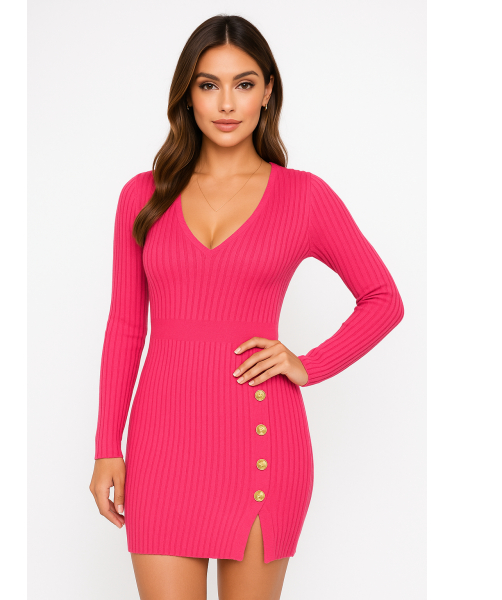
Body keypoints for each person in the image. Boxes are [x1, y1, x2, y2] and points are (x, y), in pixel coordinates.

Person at [89, 14, 404, 600]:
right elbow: (126, 326)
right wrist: (108, 444)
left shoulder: (303, 196)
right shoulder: (142, 195)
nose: (227, 103)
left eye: (244, 83)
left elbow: (383, 299)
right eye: (209, 85)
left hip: (262, 439)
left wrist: (308, 364)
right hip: (162, 446)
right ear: (188, 95)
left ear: (267, 92)